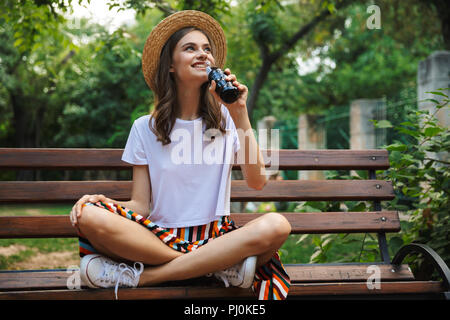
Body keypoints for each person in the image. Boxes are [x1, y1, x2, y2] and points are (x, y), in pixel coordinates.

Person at [69, 10, 291, 300]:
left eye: (207, 49)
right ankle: (215, 266)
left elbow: (258, 181)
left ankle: (146, 278)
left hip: (216, 236)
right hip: (157, 238)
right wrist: (104, 202)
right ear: (170, 66)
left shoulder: (228, 118)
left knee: (277, 225)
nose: (203, 55)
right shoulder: (144, 128)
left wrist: (240, 112)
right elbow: (141, 205)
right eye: (190, 48)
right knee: (88, 216)